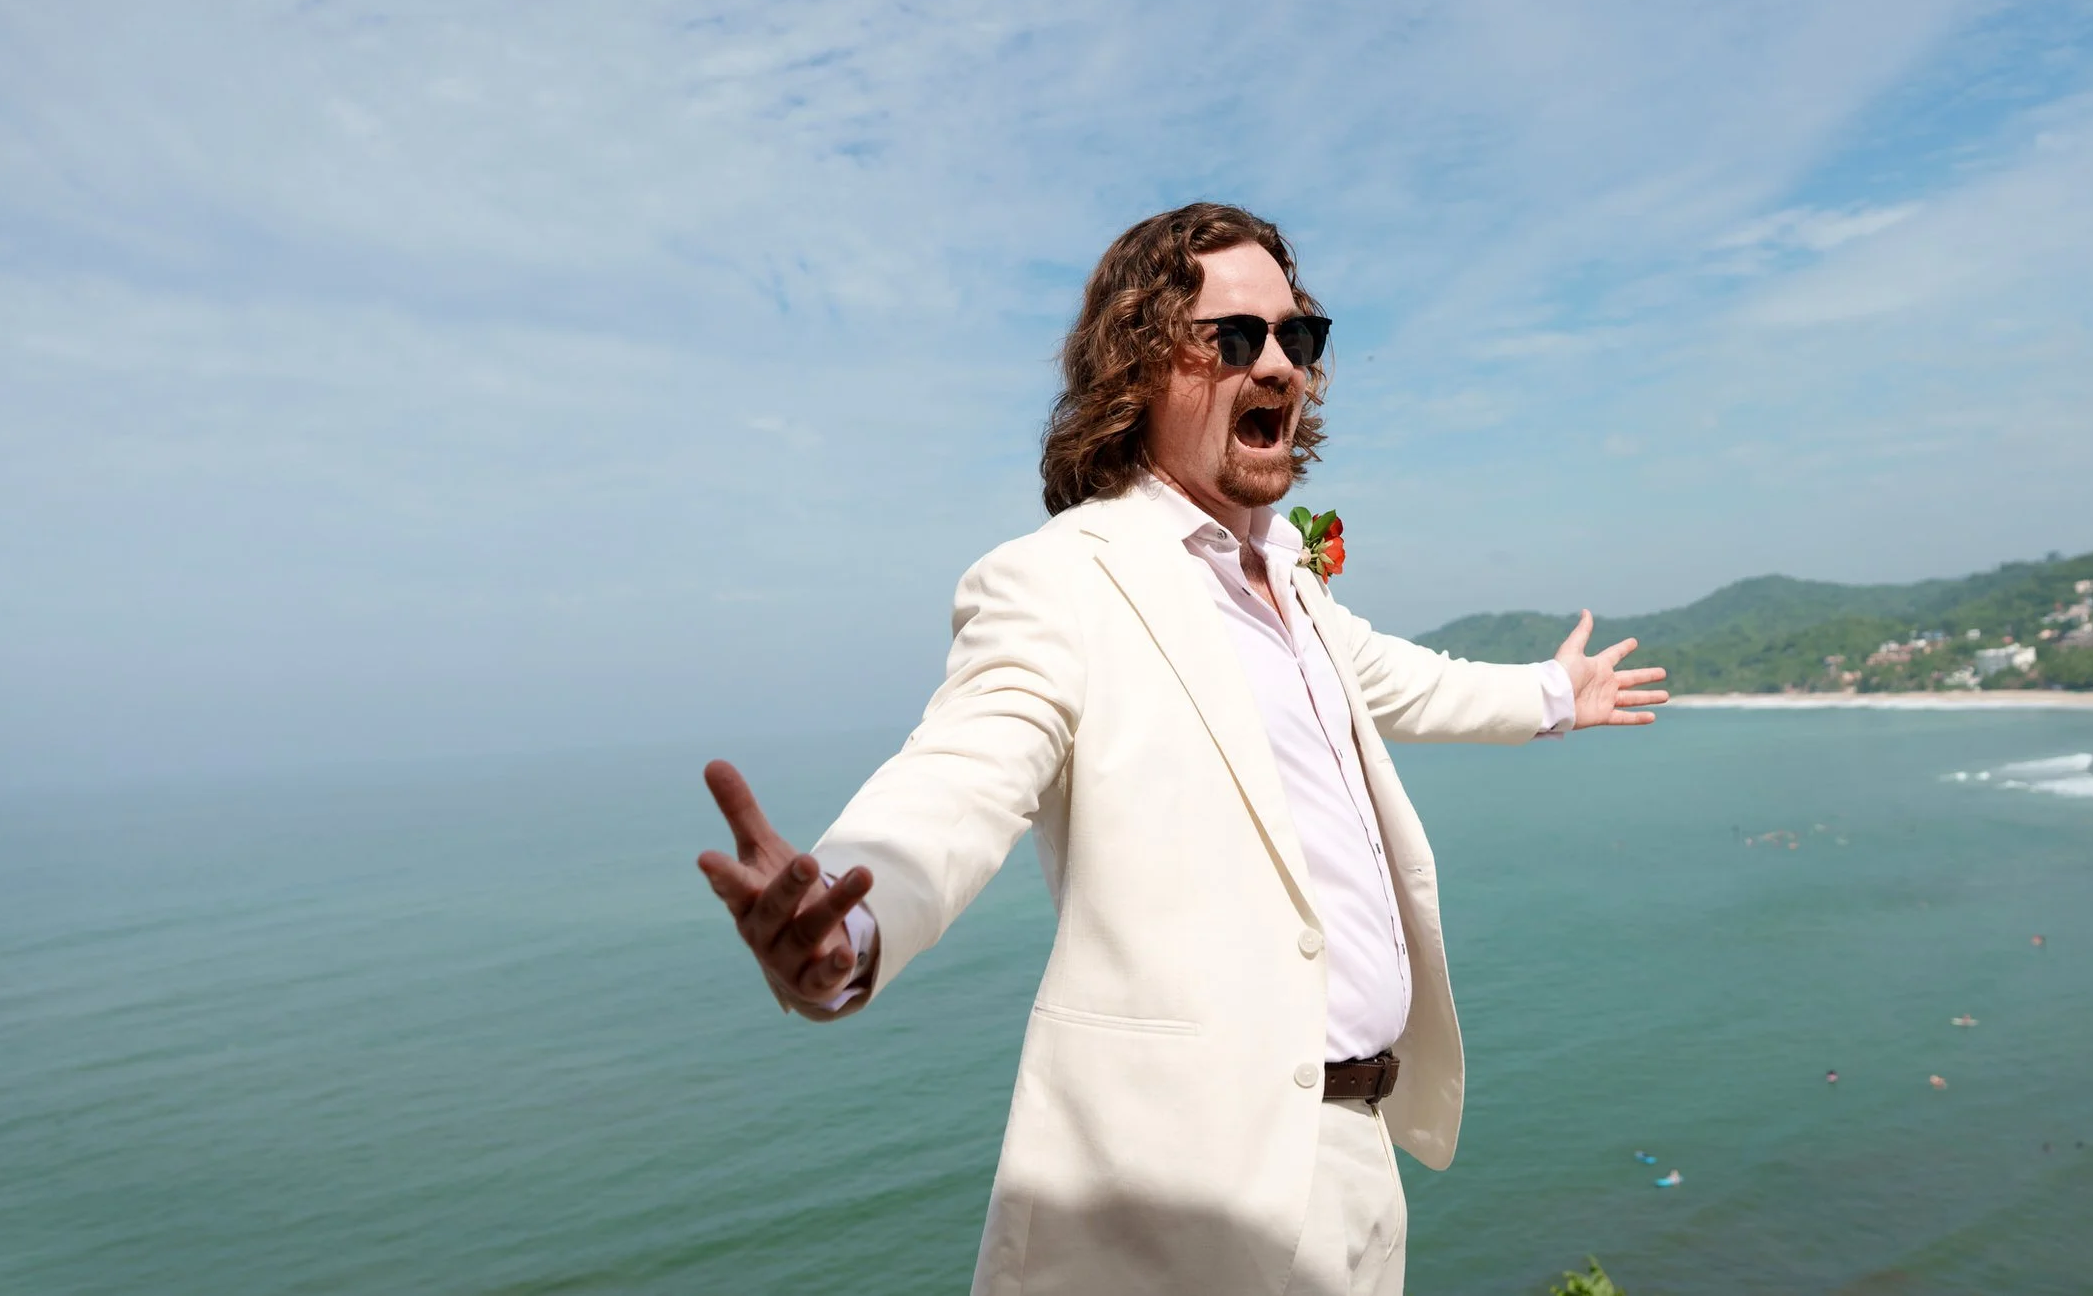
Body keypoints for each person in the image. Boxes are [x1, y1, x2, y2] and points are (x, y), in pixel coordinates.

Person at [695, 204, 1668, 1295]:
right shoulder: (1062, 578)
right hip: (1182, 1206)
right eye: (1235, 337)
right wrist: (849, 914)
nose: (1280, 365)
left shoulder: (1291, 584)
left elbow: (1407, 681)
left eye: (1297, 337)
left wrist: (1556, 692)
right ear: (1140, 364)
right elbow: (964, 772)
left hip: (1360, 1166)